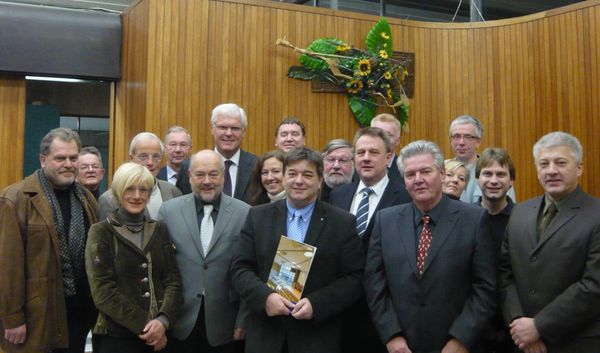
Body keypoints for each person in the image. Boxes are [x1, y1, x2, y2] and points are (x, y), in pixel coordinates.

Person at [365, 140, 496, 353]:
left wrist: (461, 339)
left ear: (442, 174)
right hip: (400, 345)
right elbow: (374, 284)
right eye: (410, 175)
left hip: (455, 344)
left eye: (426, 171)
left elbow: (485, 287)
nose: (418, 180)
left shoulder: (473, 220)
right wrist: (391, 335)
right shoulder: (385, 221)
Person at [231, 148, 364, 353]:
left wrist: (317, 304)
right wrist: (265, 298)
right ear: (284, 178)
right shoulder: (257, 217)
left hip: (317, 337)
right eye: (292, 174)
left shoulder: (342, 222)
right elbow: (240, 268)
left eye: (307, 174)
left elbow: (354, 277)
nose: (298, 180)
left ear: (320, 181)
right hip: (266, 335)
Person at [500, 131, 600, 353]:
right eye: (544, 164)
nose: (551, 170)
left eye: (561, 163)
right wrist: (520, 324)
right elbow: (505, 274)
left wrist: (539, 326)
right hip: (522, 343)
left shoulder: (596, 214)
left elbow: (594, 285)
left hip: (577, 342)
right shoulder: (520, 212)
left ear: (580, 168)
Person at [0, 127, 98, 353]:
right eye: (60, 158)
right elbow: (8, 266)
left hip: (79, 312)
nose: (68, 164)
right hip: (37, 315)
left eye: (73, 158)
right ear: (43, 160)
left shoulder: (86, 197)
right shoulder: (15, 199)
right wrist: (12, 317)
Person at [158, 150, 251, 353]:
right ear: (190, 176)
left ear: (223, 176)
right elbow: (159, 269)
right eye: (200, 174)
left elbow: (250, 270)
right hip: (179, 322)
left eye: (213, 174)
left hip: (226, 324)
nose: (207, 181)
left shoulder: (245, 213)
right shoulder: (168, 211)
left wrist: (243, 319)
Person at [86, 162, 182, 353]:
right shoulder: (101, 232)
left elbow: (173, 281)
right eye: (129, 189)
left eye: (143, 189)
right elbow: (103, 291)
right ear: (118, 192)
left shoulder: (159, 229)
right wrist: (147, 327)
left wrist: (163, 321)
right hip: (116, 338)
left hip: (159, 336)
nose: (137, 196)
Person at [475, 147, 516, 353]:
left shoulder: (523, 219)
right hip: (473, 325)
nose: (493, 180)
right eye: (487, 174)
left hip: (513, 325)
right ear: (477, 179)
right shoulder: (464, 219)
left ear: (511, 181)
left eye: (501, 174)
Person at [177, 104, 258, 200]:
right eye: (223, 127)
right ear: (213, 129)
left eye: (235, 128)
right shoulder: (189, 166)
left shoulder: (257, 166)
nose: (228, 133)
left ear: (243, 132)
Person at [98, 132, 181, 220]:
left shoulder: (172, 191)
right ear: (131, 158)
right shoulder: (110, 198)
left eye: (156, 156)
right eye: (143, 156)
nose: (150, 162)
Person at [449, 115, 516, 203]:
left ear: (478, 142)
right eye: (456, 136)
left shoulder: (494, 171)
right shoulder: (443, 171)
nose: (461, 142)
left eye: (468, 137)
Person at [371, 113, 403, 184]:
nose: (383, 139)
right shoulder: (358, 169)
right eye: (378, 134)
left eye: (388, 135)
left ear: (397, 140)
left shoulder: (405, 170)